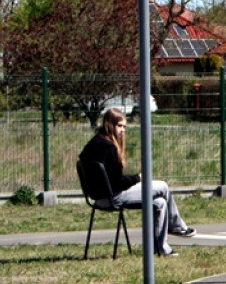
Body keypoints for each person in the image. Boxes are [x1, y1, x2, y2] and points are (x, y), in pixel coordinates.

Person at [79, 108, 195, 257]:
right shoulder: (108, 147)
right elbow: (117, 183)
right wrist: (137, 178)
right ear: (109, 124)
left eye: (124, 127)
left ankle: (161, 249)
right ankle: (177, 227)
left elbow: (109, 177)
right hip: (112, 197)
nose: (122, 130)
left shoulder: (94, 143)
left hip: (99, 197)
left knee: (160, 203)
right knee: (163, 186)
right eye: (119, 126)